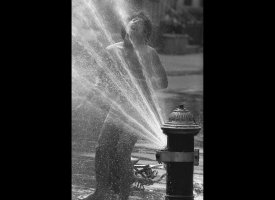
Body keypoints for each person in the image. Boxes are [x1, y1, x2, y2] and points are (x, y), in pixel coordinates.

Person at [84, 11, 168, 200]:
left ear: (145, 33)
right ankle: (101, 191)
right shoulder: (112, 50)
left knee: (122, 149)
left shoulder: (149, 53)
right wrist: (89, 98)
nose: (134, 23)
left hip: (139, 110)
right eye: (132, 21)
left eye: (140, 24)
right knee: (102, 148)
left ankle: (124, 196)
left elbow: (163, 82)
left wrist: (144, 79)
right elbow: (101, 81)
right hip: (118, 108)